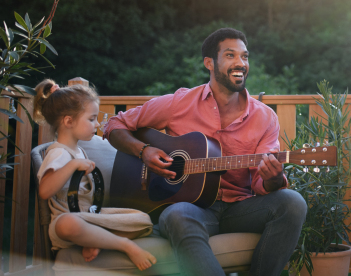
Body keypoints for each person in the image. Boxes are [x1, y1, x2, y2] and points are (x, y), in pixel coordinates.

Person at [105, 27, 307, 276]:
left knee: (293, 203)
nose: (241, 63)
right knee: (177, 214)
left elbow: (261, 183)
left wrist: (273, 178)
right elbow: (115, 125)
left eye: (245, 56)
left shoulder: (265, 118)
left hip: (240, 208)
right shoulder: (179, 103)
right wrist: (143, 151)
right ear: (209, 63)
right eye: (231, 55)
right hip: (191, 207)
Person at [33, 80, 156, 271]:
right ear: (68, 121)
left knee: (143, 220)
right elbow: (44, 190)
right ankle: (125, 245)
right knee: (67, 224)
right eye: (91, 119)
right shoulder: (58, 152)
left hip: (91, 216)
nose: (97, 124)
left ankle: (94, 239)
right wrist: (73, 165)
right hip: (69, 221)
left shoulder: (79, 150)